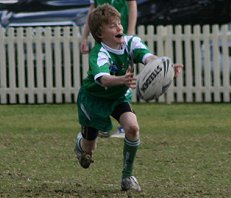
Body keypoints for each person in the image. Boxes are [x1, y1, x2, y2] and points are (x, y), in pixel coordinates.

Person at [74, 4, 183, 192]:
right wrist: (122, 79)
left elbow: (148, 58)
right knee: (89, 149)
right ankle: (81, 145)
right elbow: (103, 79)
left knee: (132, 128)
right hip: (94, 99)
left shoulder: (130, 42)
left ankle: (127, 177)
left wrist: (166, 68)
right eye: (112, 26)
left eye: (119, 23)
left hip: (118, 97)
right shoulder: (99, 53)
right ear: (100, 34)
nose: (119, 28)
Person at [81, 0, 137, 138]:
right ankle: (100, 124)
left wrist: (129, 34)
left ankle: (123, 126)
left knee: (123, 77)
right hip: (106, 41)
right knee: (102, 78)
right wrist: (84, 36)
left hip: (120, 40)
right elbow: (92, 12)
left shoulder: (123, 34)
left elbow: (132, 5)